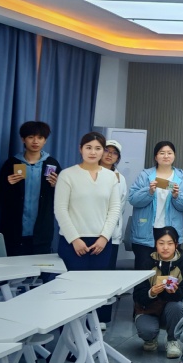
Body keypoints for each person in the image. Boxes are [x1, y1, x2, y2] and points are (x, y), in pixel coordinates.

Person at [54, 131, 121, 324]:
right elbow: (60, 210)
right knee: (72, 293)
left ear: (103, 151)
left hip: (101, 244)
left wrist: (104, 237)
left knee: (94, 293)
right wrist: (74, 239)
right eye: (88, 147)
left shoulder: (111, 177)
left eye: (98, 148)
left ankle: (90, 336)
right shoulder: (67, 175)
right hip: (73, 243)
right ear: (80, 149)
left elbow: (115, 209)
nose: (93, 152)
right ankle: (69, 338)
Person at [0, 121, 60, 256]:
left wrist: (56, 186)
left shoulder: (52, 164)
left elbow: (61, 200)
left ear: (45, 141)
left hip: (42, 232)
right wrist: (8, 184)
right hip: (14, 231)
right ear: (23, 139)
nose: (35, 141)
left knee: (40, 266)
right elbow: (1, 197)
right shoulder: (11, 163)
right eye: (31, 137)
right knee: (14, 266)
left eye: (40, 137)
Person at [128, 141, 183, 270]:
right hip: (146, 230)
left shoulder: (181, 178)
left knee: (168, 272)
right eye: (162, 153)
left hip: (171, 230)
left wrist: (177, 196)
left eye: (169, 153)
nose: (166, 156)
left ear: (174, 156)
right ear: (155, 156)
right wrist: (149, 192)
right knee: (143, 271)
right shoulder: (145, 176)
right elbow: (133, 199)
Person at [132, 226, 183, 358]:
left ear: (176, 245)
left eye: (170, 243)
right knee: (146, 331)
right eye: (161, 243)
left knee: (177, 306)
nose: (165, 248)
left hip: (171, 310)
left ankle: (172, 340)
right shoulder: (146, 263)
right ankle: (150, 338)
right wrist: (151, 293)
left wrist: (175, 292)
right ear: (155, 244)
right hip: (149, 309)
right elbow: (137, 294)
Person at [99, 139, 126, 272]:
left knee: (107, 273)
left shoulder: (120, 178)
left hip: (111, 234)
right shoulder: (89, 173)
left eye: (114, 153)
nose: (110, 155)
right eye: (106, 150)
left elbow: (121, 205)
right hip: (90, 231)